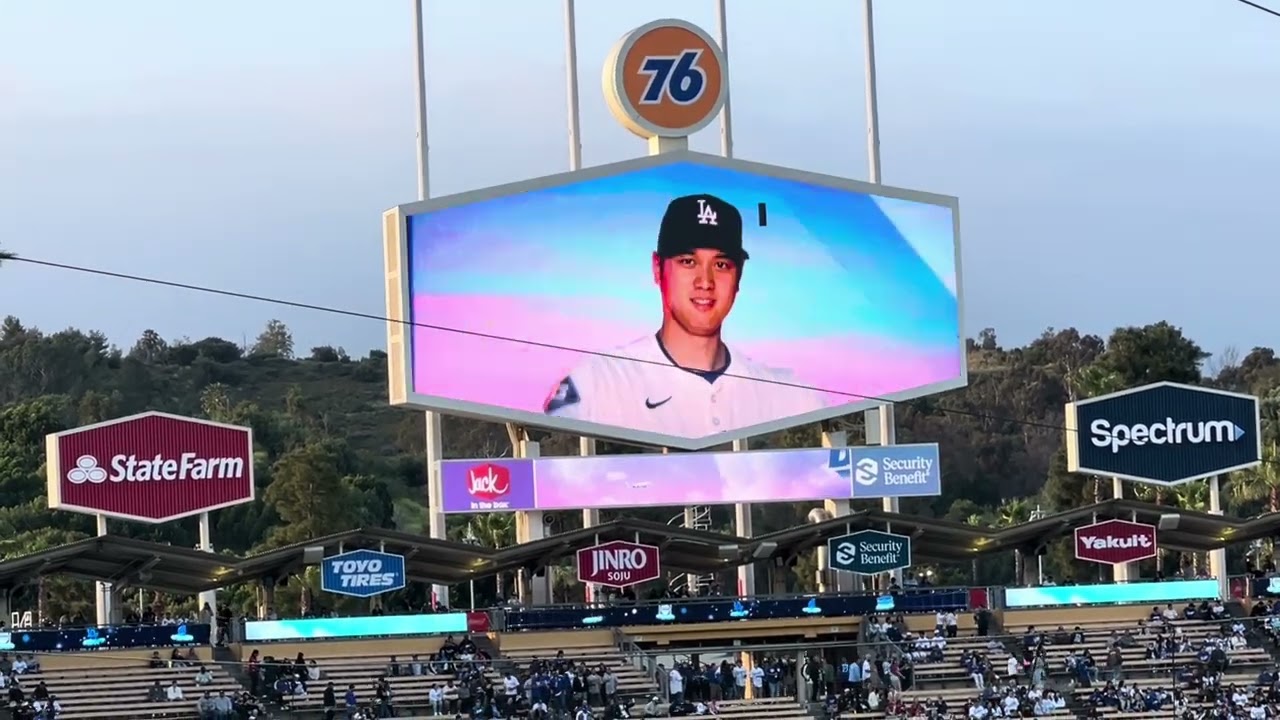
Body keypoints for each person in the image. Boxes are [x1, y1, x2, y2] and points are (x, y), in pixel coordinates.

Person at [544, 193, 826, 436]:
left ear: (739, 276)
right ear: (658, 268)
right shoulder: (599, 381)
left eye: (721, 264)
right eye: (688, 262)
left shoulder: (790, 394)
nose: (705, 281)